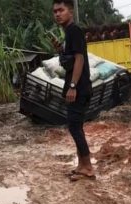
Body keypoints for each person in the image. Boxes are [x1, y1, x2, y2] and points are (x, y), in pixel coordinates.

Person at [53, 0, 95, 181]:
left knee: (74, 127)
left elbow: (79, 59)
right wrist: (60, 50)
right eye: (54, 11)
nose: (57, 14)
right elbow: (69, 58)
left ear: (70, 11)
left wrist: (72, 86)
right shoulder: (69, 33)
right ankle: (81, 165)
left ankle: (89, 168)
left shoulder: (74, 31)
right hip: (78, 86)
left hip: (79, 88)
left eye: (61, 10)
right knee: (76, 127)